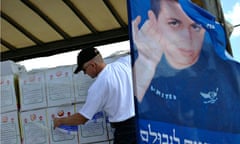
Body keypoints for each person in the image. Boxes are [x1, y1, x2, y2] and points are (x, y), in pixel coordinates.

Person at [131, 0, 240, 135]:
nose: (186, 37)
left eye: (195, 27)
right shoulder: (156, 78)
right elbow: (138, 110)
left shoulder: (226, 76)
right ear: (153, 21)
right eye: (174, 23)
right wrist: (145, 62)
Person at [53, 47, 137, 144]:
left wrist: (60, 121)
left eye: (84, 70)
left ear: (93, 65)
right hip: (143, 123)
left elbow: (82, 118)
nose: (85, 74)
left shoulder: (98, 86)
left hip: (126, 131)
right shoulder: (124, 62)